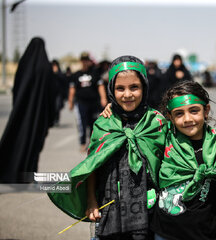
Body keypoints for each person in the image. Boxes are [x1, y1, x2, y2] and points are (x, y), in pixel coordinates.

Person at [48, 55, 167, 239]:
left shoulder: (157, 122)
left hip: (150, 211)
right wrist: (91, 201)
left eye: (134, 87)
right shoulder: (104, 123)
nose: (127, 94)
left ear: (144, 87)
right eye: (120, 88)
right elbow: (93, 165)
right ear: (111, 89)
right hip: (110, 209)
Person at [150, 80, 216, 240]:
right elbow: (139, 123)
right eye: (179, 113)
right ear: (170, 117)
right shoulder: (165, 138)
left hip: (202, 230)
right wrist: (112, 109)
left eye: (194, 111)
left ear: (206, 110)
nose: (187, 119)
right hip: (164, 231)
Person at [0, 37, 56, 183]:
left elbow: (17, 88)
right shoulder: (45, 67)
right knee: (34, 143)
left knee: (19, 141)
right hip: (40, 115)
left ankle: (13, 172)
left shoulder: (24, 64)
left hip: (22, 113)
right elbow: (52, 93)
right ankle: (29, 174)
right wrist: (51, 116)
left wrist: (17, 108)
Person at [68, 52, 108, 152]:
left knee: (93, 123)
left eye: (87, 60)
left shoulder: (94, 73)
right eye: (83, 60)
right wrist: (70, 101)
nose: (85, 62)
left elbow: (100, 86)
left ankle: (92, 143)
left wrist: (103, 98)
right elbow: (72, 89)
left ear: (89, 61)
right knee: (82, 123)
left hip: (94, 103)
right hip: (81, 103)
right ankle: (82, 143)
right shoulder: (76, 74)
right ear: (81, 61)